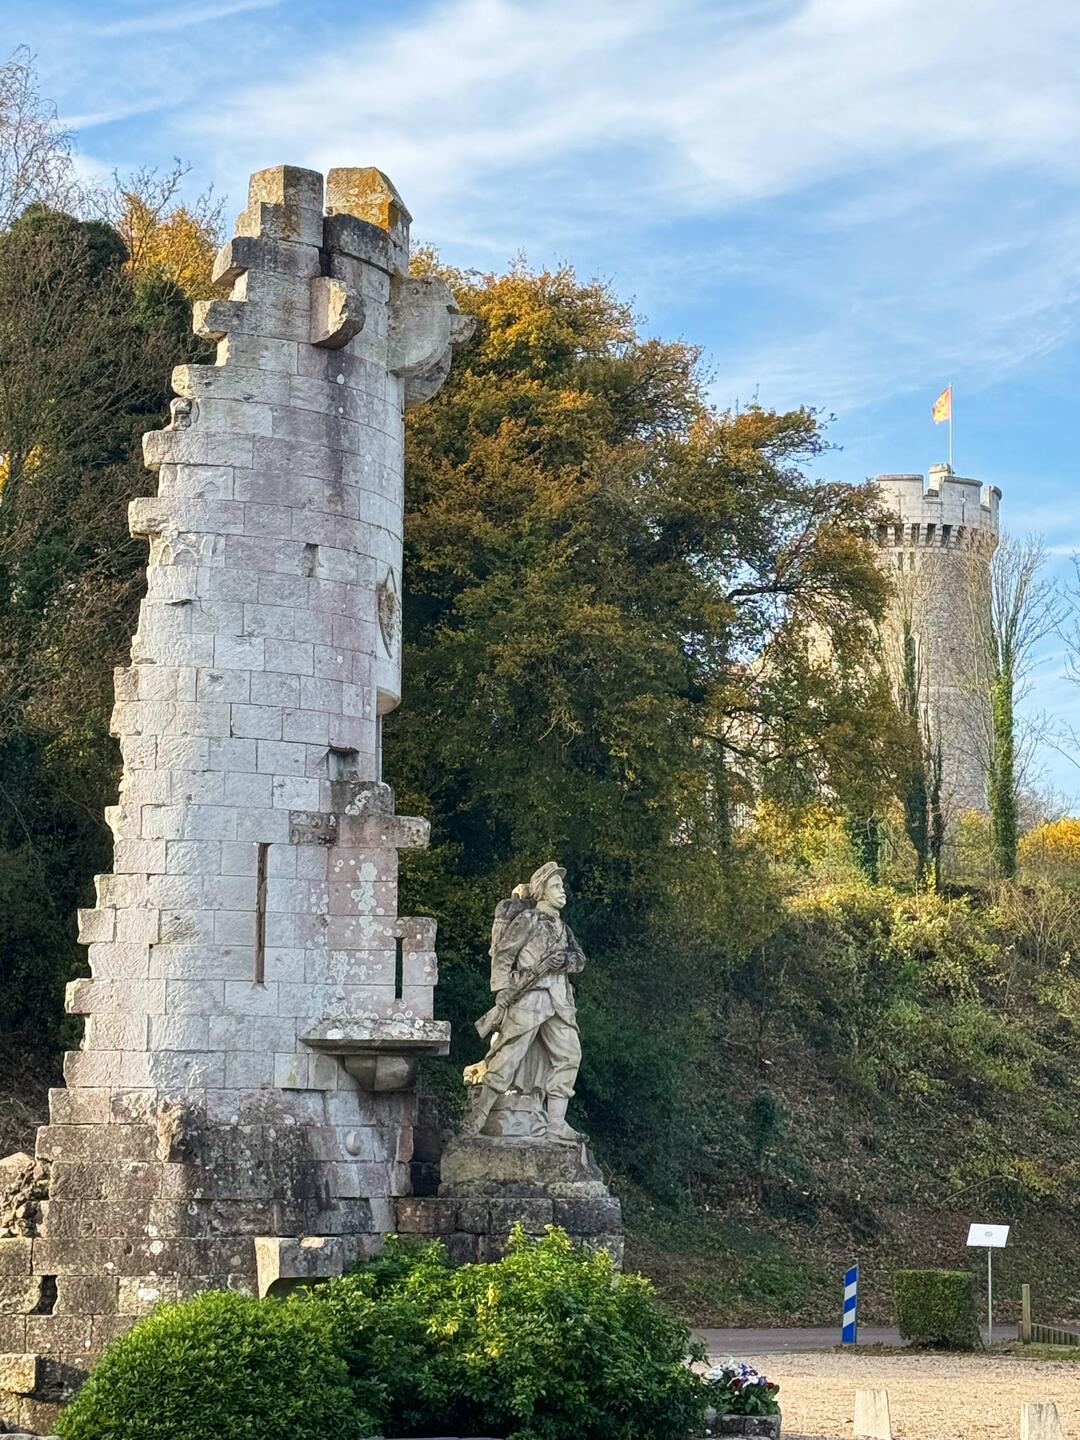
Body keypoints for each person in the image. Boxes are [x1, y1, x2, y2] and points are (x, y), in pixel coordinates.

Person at [460, 861, 586, 1143]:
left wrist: (564, 960)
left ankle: (555, 1123)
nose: (562, 891)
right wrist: (502, 989)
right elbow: (503, 955)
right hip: (528, 996)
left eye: (561, 886)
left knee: (569, 1056)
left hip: (559, 1001)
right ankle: (478, 1116)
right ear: (542, 891)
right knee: (508, 1055)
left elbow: (580, 960)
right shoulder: (528, 920)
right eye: (556, 886)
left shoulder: (563, 928)